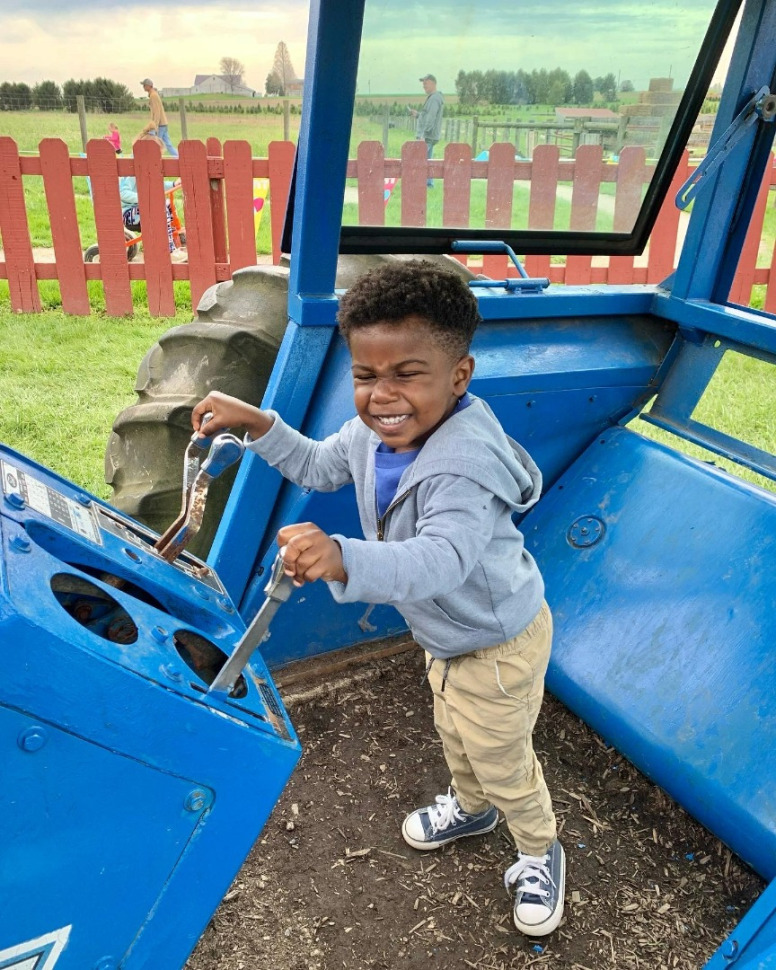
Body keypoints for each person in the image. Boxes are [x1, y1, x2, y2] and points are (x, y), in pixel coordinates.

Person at [191, 260, 565, 938]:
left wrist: (342, 555)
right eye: (366, 376)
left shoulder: (466, 467)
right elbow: (315, 463)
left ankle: (540, 848)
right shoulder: (372, 433)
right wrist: (257, 424)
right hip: (447, 638)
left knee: (504, 757)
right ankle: (472, 807)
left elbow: (442, 561)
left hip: (497, 641)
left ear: (459, 376)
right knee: (458, 735)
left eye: (407, 374)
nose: (382, 395)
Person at [120, 135, 186, 261]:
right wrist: (146, 198)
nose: (159, 160)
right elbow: (123, 193)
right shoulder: (132, 169)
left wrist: (173, 184)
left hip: (144, 207)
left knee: (167, 205)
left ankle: (176, 240)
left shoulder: (147, 168)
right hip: (129, 213)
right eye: (157, 156)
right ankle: (170, 250)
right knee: (161, 206)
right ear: (147, 154)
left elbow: (155, 187)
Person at [409, 74, 444, 186]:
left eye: (426, 83)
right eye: (423, 83)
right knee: (427, 160)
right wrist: (418, 115)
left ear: (433, 83)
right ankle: (428, 183)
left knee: (419, 159)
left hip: (427, 136)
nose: (424, 86)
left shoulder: (434, 98)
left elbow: (431, 118)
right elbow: (427, 116)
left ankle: (418, 184)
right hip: (429, 135)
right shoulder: (434, 97)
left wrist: (423, 135)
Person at [139, 78, 178, 157]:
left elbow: (157, 112)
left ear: (149, 86)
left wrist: (154, 127)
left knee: (156, 144)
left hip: (159, 125)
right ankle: (178, 157)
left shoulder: (153, 95)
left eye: (144, 85)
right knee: (168, 144)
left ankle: (155, 160)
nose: (143, 87)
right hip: (163, 123)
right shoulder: (154, 94)